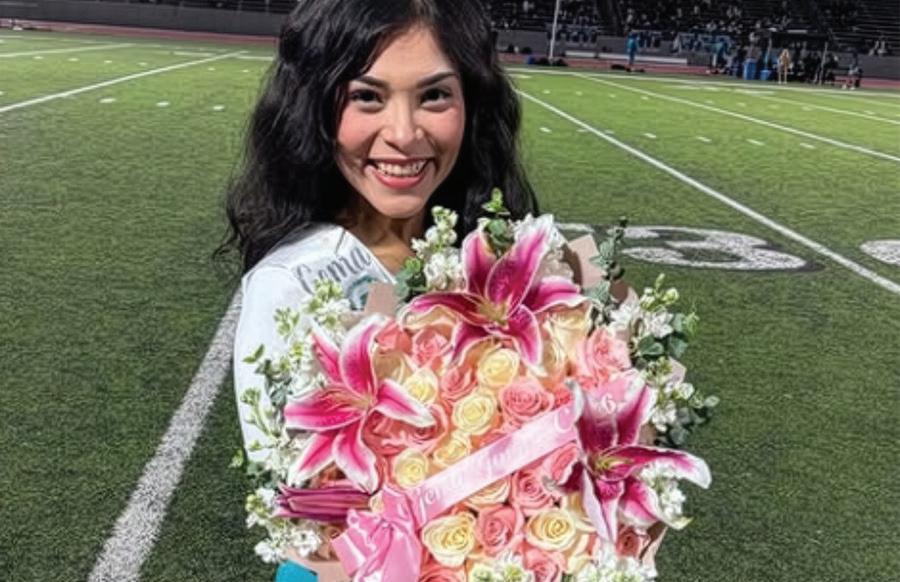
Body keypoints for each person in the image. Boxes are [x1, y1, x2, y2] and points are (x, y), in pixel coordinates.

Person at [217, 0, 538, 579]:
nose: (404, 135)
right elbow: (299, 517)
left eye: (435, 95)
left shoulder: (497, 258)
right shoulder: (290, 284)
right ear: (316, 106)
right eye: (367, 96)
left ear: (473, 103)